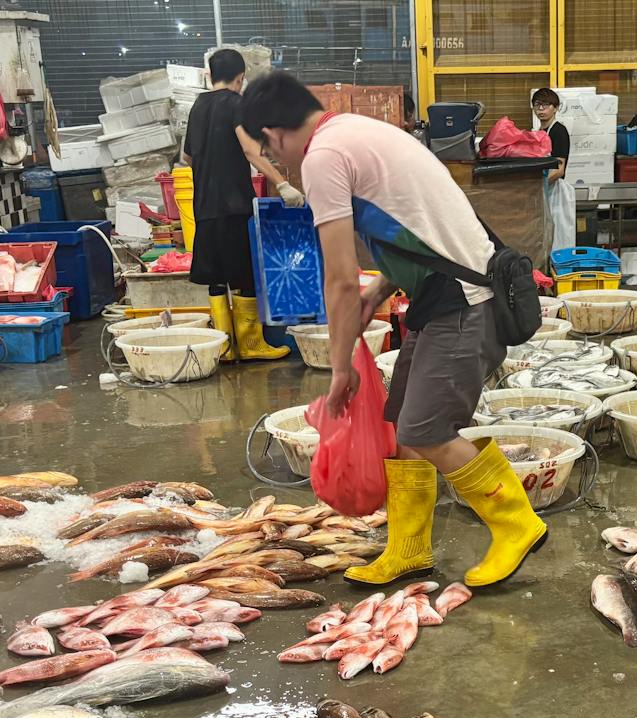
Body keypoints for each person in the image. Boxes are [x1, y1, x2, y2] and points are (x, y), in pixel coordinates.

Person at [240, 71, 548, 589]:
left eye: (269, 154)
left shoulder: (322, 157)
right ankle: (408, 548)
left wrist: (341, 369)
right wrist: (379, 291)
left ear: (272, 136)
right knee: (405, 422)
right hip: (445, 292)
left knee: (426, 428)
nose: (278, 166)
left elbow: (337, 279)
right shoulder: (356, 133)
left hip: (465, 299)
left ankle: (515, 523)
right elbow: (421, 222)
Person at [182, 48, 304, 361]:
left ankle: (223, 346)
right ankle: (251, 345)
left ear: (210, 75)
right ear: (241, 78)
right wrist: (283, 184)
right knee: (245, 274)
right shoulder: (237, 104)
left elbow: (187, 157)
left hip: (204, 207)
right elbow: (251, 152)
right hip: (234, 204)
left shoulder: (197, 106)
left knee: (216, 275)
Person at [532, 87, 575, 252]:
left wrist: (538, 186)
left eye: (546, 105)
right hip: (544, 191)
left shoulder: (558, 131)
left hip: (555, 192)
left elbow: (559, 169)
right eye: (537, 105)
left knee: (558, 238)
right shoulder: (539, 133)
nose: (541, 109)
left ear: (556, 108)